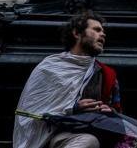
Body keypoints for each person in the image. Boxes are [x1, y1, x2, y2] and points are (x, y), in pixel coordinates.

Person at [13, 11, 122, 148]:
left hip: (92, 132)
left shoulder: (107, 74)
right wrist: (73, 108)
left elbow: (118, 114)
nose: (103, 34)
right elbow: (31, 111)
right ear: (77, 33)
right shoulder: (49, 67)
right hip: (51, 134)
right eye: (96, 30)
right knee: (87, 142)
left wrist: (109, 111)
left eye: (103, 31)